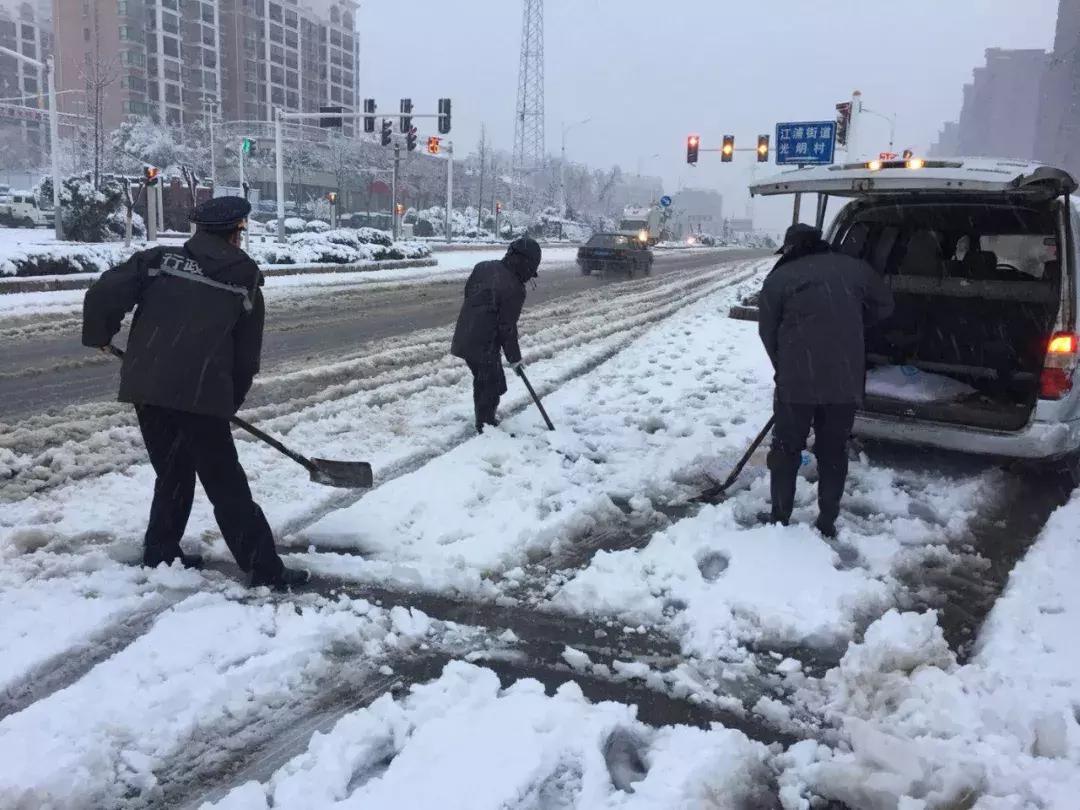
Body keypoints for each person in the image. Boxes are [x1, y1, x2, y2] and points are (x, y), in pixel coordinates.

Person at [81, 196, 308, 590]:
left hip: (147, 386)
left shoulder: (157, 261)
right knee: (225, 482)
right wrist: (226, 401)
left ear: (199, 230)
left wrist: (100, 335)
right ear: (237, 232)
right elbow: (244, 356)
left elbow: (102, 293)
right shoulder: (244, 278)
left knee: (172, 470)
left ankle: (161, 551)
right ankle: (264, 569)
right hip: (202, 394)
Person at [757, 223, 894, 538]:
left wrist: (786, 365)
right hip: (843, 379)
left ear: (791, 247)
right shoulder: (856, 270)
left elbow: (767, 331)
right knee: (833, 450)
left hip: (796, 382)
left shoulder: (780, 278)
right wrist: (854, 325)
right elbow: (886, 306)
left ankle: (780, 516)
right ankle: (827, 519)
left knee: (786, 449)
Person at [450, 237, 541, 432]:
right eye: (531, 270)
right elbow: (507, 327)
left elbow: (469, 294)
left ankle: (484, 418)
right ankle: (485, 425)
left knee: (485, 380)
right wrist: (514, 359)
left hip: (465, 334)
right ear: (526, 263)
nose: (529, 276)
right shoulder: (515, 288)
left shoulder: (483, 267)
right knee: (491, 384)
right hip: (485, 344)